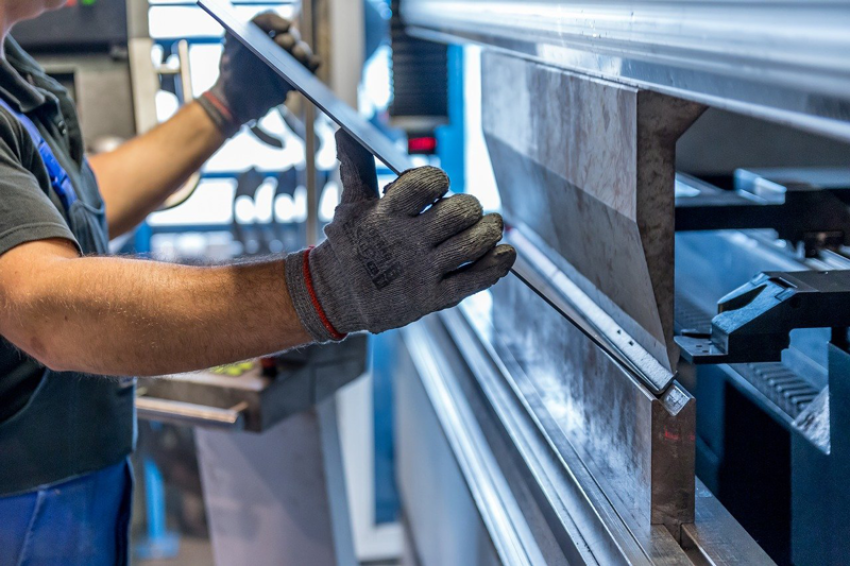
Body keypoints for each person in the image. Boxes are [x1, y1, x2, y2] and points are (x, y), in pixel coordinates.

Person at [0, 1, 516, 563]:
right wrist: (323, 289)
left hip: (71, 488)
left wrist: (226, 105)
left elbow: (70, 205)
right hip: (21, 505)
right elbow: (42, 307)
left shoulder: (14, 68)